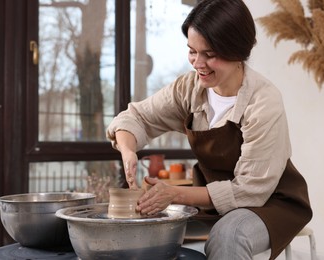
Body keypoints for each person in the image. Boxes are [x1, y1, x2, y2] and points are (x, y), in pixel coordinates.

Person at [106, 0, 312, 259]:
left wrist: (176, 194)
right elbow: (135, 116)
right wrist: (128, 150)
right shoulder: (189, 88)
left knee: (229, 236)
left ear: (237, 51)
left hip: (270, 201)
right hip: (211, 199)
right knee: (151, 231)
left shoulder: (263, 101)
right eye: (192, 51)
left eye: (210, 54)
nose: (198, 63)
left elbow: (250, 191)